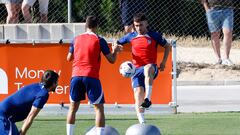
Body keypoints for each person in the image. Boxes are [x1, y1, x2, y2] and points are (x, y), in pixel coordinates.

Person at [66, 15, 121, 135]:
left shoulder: (76, 39)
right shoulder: (99, 40)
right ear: (97, 26)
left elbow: (69, 58)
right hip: (91, 76)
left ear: (85, 25)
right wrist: (115, 50)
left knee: (72, 108)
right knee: (98, 109)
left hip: (76, 76)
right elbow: (111, 60)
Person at [117, 13, 171, 124]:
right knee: (138, 94)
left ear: (146, 23)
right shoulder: (131, 36)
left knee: (147, 68)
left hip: (151, 68)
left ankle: (148, 99)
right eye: (136, 25)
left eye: (141, 25)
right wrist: (116, 47)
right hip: (136, 71)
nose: (138, 28)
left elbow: (167, 46)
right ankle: (142, 123)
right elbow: (117, 42)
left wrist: (164, 62)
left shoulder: (154, 35)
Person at [0, 70, 59, 135]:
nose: (57, 84)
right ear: (53, 83)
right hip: (4, 117)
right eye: (57, 82)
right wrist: (22, 133)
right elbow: (30, 116)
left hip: (6, 117)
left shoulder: (36, 86)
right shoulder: (43, 94)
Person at [201, 0, 234, 66]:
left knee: (228, 32)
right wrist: (207, 9)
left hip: (227, 9)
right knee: (215, 34)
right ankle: (218, 59)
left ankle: (226, 59)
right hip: (212, 9)